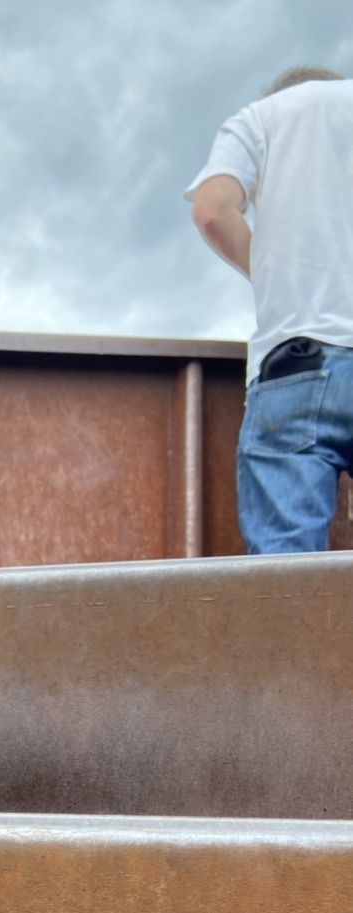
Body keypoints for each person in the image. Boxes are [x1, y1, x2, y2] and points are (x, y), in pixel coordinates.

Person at [187, 67, 353, 553]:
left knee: (286, 576)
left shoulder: (259, 118)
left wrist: (267, 270)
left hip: (295, 367)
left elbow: (212, 209)